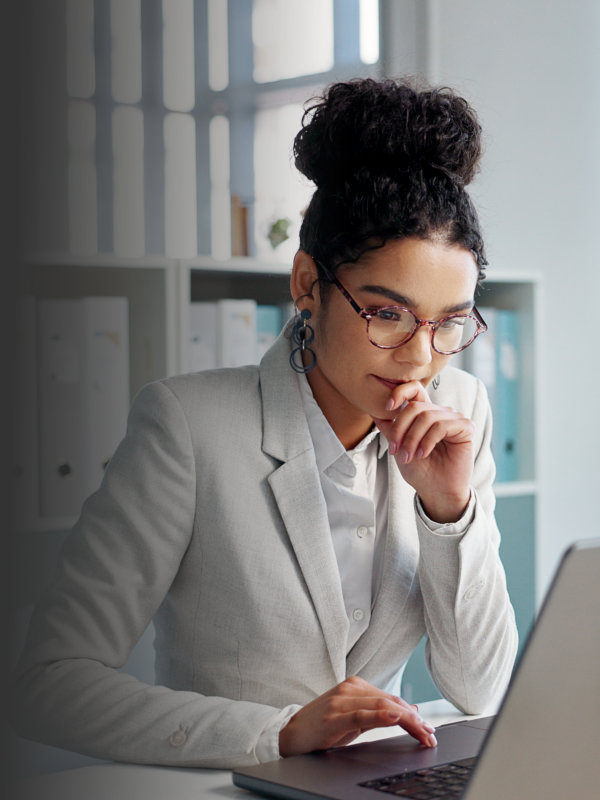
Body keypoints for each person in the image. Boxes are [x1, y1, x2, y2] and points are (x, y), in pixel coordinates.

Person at [12, 78, 518, 769]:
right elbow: (50, 683)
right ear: (308, 283)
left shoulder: (459, 411)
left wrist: (448, 510)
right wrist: (277, 732)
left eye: (450, 323)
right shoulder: (189, 428)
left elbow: (481, 687)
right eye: (387, 314)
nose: (421, 358)